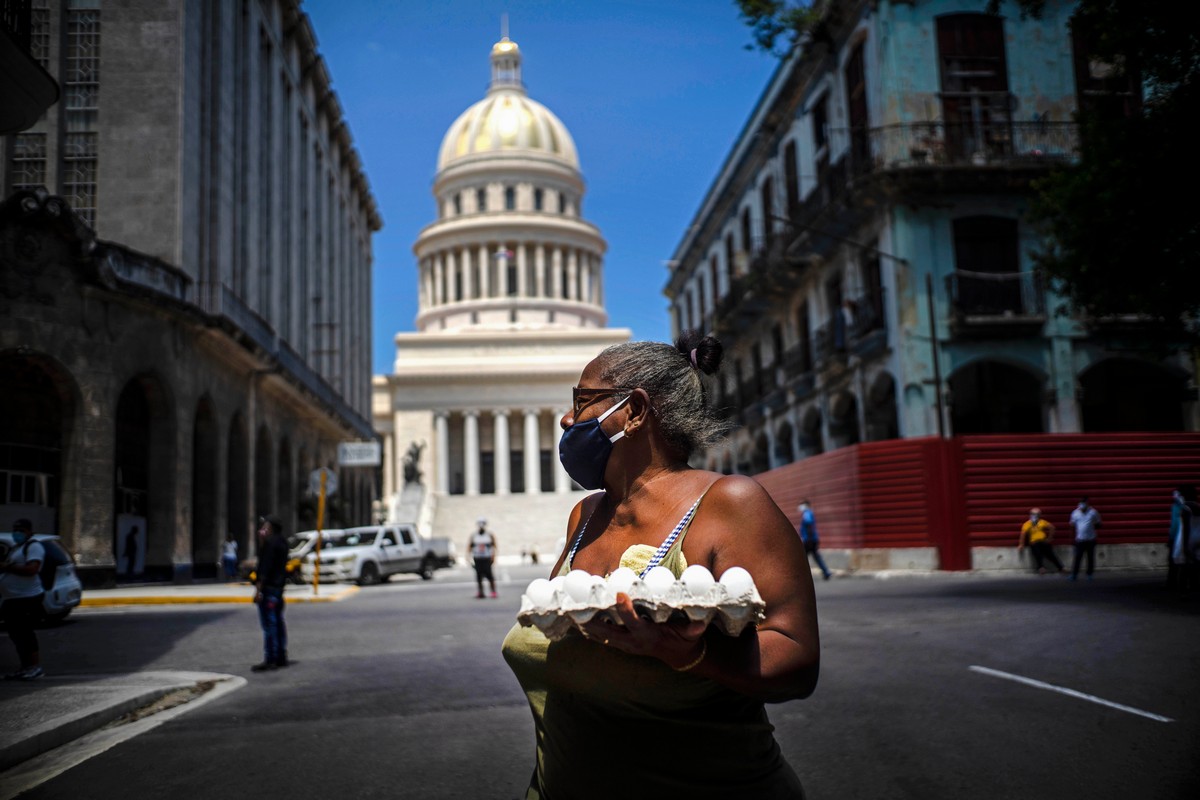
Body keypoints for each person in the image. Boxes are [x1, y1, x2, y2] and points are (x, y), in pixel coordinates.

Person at [502, 332, 820, 799]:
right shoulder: (586, 518)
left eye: (583, 400)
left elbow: (797, 661)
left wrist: (685, 652)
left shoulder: (730, 504)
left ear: (633, 411)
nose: (569, 419)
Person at [0, 519, 45, 680]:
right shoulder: (17, 547)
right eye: (15, 529)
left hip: (27, 598)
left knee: (25, 633)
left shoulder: (34, 546)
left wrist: (7, 567)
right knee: (16, 635)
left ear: (28, 531)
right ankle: (25, 667)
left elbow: (32, 569)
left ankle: (34, 667)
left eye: (20, 530)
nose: (16, 533)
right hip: (12, 598)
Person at [252, 515, 289, 671]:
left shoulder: (270, 544)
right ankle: (281, 654)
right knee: (278, 621)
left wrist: (258, 590)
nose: (262, 530)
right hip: (279, 588)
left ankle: (271, 658)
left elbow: (264, 568)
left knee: (269, 624)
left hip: (268, 588)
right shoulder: (283, 543)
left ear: (271, 528)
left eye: (265, 527)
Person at [1017, 507, 1065, 575]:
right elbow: (1023, 534)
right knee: (1037, 554)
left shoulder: (1042, 522)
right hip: (1034, 542)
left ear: (1039, 515)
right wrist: (1021, 544)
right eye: (1033, 514)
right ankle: (1041, 568)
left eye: (1037, 514)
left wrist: (1049, 538)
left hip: (1043, 541)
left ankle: (1061, 568)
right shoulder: (1027, 524)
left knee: (1051, 555)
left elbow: (1052, 527)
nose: (1035, 515)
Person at [1068, 497, 1102, 581]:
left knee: (1090, 557)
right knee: (1077, 557)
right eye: (1080, 503)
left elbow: (1099, 524)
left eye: (1084, 503)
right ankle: (1074, 574)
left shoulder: (1093, 512)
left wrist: (1092, 526)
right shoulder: (1075, 513)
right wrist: (1072, 538)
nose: (1082, 505)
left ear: (1087, 503)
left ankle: (1089, 574)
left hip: (1091, 539)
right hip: (1080, 539)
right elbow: (1072, 525)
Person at [798, 500, 832, 580]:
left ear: (806, 505)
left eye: (802, 505)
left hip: (809, 540)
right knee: (816, 557)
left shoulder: (807, 514)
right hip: (812, 539)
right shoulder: (809, 513)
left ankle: (801, 575)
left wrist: (809, 539)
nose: (800, 507)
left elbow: (809, 525)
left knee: (802, 557)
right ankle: (826, 572)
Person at [469, 518, 497, 599]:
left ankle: (493, 591)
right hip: (477, 558)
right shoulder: (474, 535)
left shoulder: (489, 535)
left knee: (489, 575)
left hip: (486, 558)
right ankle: (481, 592)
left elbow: (494, 546)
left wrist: (494, 556)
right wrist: (468, 556)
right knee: (479, 576)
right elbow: (470, 546)